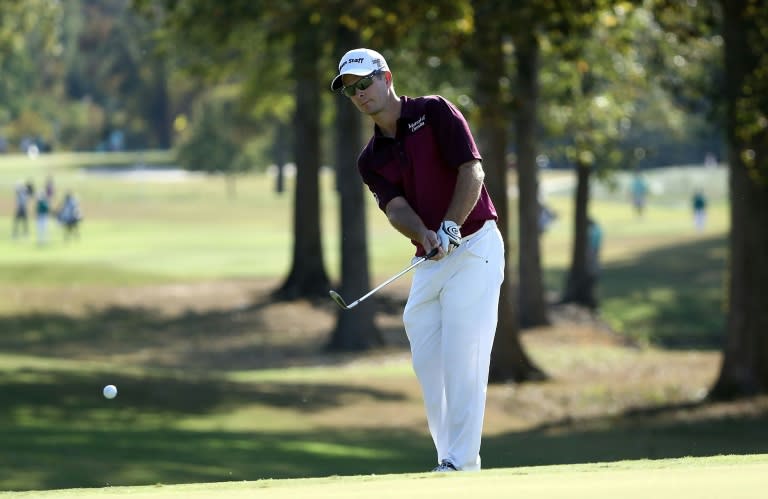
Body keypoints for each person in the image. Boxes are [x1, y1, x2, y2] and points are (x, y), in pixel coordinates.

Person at [330, 48, 505, 473]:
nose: (358, 93)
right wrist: (423, 234)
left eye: (364, 82)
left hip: (475, 246)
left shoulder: (435, 112)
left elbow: (472, 171)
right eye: (350, 89)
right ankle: (450, 458)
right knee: (428, 360)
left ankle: (460, 463)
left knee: (464, 354)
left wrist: (448, 225)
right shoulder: (370, 159)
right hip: (431, 257)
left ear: (386, 77)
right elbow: (396, 208)